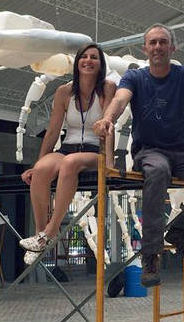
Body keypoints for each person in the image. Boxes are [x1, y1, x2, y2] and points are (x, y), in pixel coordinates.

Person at [93, 24, 184, 286]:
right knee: (158, 171)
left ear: (172, 47)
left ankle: (180, 229)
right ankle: (151, 255)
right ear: (145, 48)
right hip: (150, 152)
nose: (158, 47)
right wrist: (108, 119)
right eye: (153, 43)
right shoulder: (135, 77)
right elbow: (121, 99)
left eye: (163, 42)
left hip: (182, 154)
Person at [19, 43, 115, 264]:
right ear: (77, 62)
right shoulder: (63, 92)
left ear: (101, 64)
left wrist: (109, 162)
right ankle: (40, 235)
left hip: (94, 150)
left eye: (94, 57)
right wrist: (38, 162)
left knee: (70, 163)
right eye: (84, 57)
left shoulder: (107, 88)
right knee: (43, 169)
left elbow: (109, 127)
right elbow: (53, 131)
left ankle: (50, 233)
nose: (88, 60)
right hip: (68, 147)